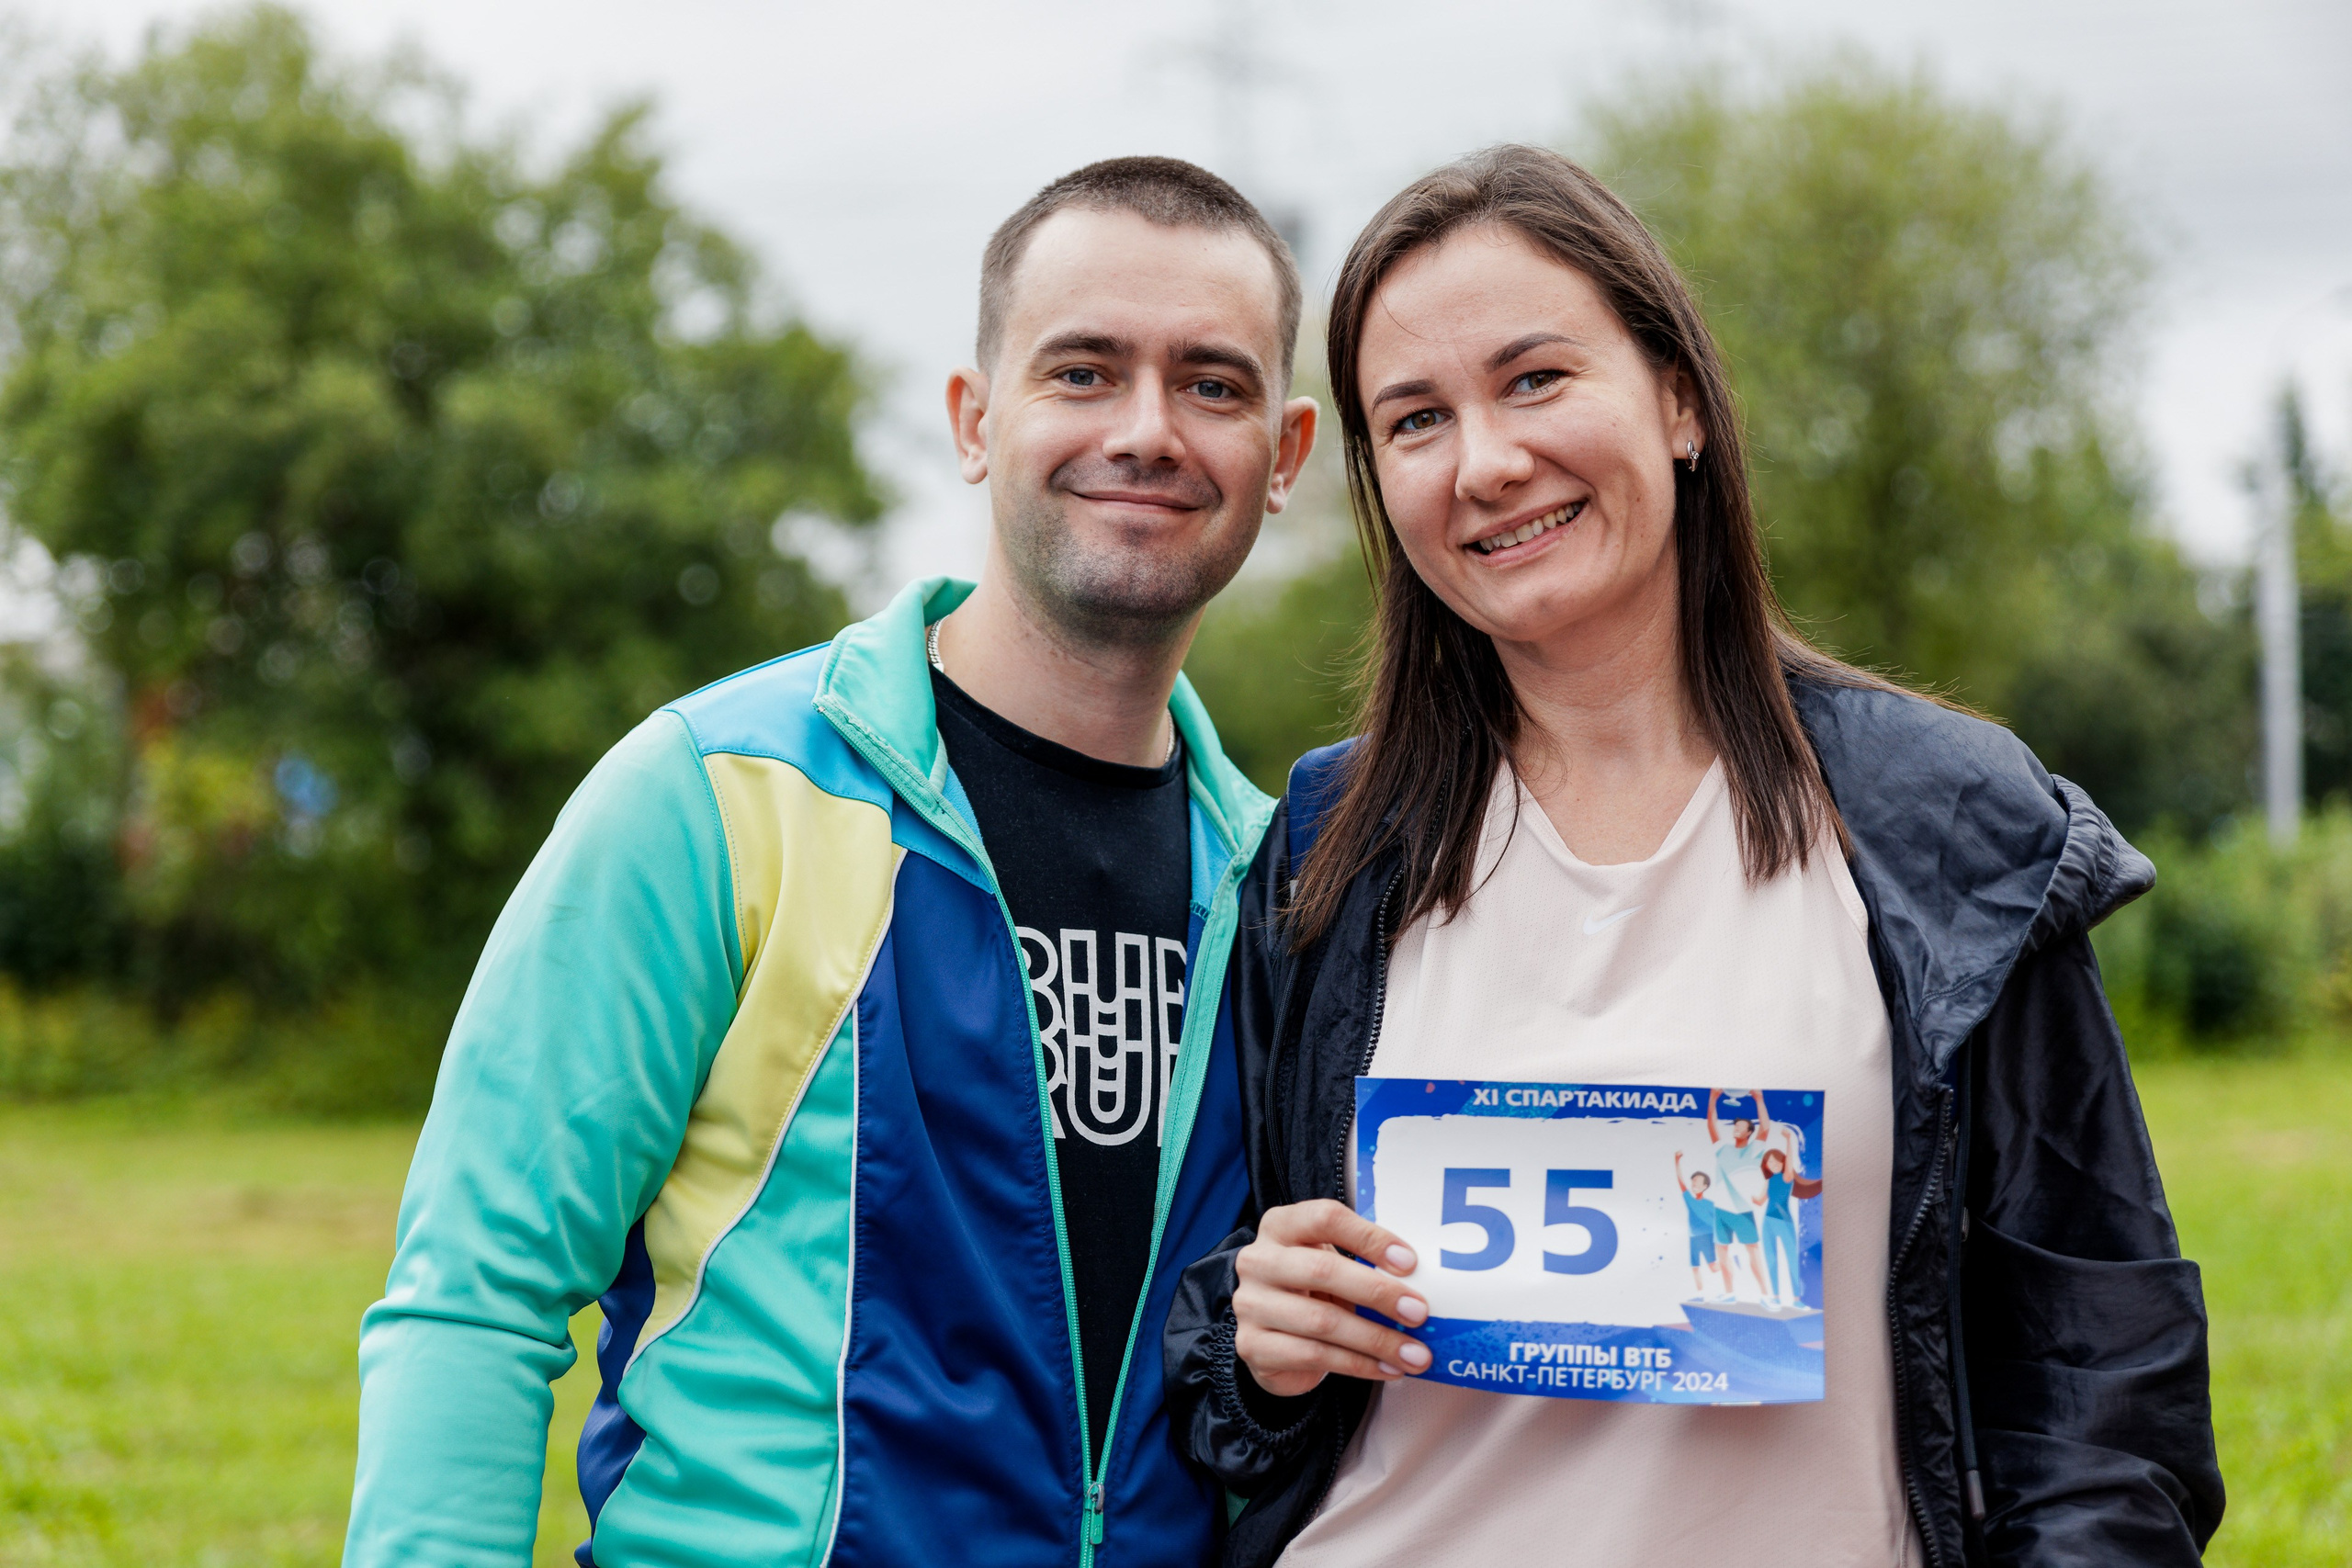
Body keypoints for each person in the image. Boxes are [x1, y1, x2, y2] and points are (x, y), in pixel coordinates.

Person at [1162, 144, 2221, 1567]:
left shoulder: (1947, 822)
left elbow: (2106, 1388)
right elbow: (1216, 1370)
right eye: (1416, 419)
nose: (1487, 461)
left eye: (1537, 378)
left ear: (1678, 399)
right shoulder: (1327, 845)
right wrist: (1259, 1338)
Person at [345, 156, 1317, 1567]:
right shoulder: (714, 793)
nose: (1147, 429)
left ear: (1285, 456)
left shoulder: (1282, 884)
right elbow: (477, 1291)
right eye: (1084, 370)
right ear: (976, 419)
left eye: (1212, 384)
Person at [1705, 1088, 1771, 1303]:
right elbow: (1711, 1125)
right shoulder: (1722, 1150)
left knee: (1753, 1251)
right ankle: (1729, 1293)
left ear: (1749, 1132)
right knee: (1722, 1252)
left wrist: (1759, 1098)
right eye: (1735, 1126)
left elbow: (1765, 1127)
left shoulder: (1754, 1150)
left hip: (1743, 1210)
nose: (1736, 1129)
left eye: (1741, 1127)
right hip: (1721, 1210)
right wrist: (1713, 1097)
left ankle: (1765, 1294)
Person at [1754, 1144, 1823, 1309]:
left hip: (1784, 1222)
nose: (1773, 1164)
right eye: (1770, 1162)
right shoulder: (1768, 1180)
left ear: (1783, 1162)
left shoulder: (1787, 1176)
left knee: (1792, 1260)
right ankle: (1776, 1298)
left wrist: (1787, 1141)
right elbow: (1760, 1200)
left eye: (1776, 1161)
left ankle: (1796, 1299)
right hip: (1768, 1222)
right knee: (1771, 1260)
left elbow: (1789, 1162)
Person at [1672, 1154, 1727, 1300]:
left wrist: (1719, 1239)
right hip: (1694, 1238)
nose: (1694, 1184)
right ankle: (1700, 1295)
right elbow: (1681, 1182)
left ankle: (1728, 1275)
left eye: (1697, 1182)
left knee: (1713, 1267)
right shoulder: (1689, 1199)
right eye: (1693, 1182)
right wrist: (1676, 1161)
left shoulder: (1710, 1204)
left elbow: (1716, 1222)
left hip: (1707, 1237)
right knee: (1695, 1267)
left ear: (1705, 1186)